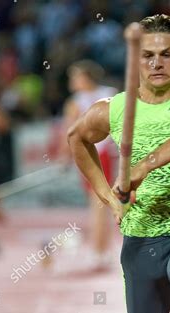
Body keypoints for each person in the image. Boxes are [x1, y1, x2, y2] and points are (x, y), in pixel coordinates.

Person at [67, 14, 170, 313]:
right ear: (135, 60)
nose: (157, 63)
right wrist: (108, 198)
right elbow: (77, 137)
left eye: (166, 55)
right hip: (139, 239)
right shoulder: (114, 109)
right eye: (147, 56)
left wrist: (144, 166)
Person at [61, 60, 118, 270]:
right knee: (103, 204)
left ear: (86, 78)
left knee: (97, 205)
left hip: (91, 154)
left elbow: (69, 133)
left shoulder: (76, 102)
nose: (72, 81)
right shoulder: (111, 93)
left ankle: (97, 251)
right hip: (107, 154)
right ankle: (103, 250)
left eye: (75, 77)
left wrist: (64, 157)